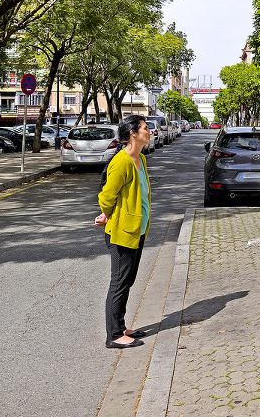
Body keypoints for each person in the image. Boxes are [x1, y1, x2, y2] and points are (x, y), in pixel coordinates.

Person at [95, 115, 153, 348]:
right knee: (119, 282)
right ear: (133, 133)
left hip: (136, 229)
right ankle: (114, 335)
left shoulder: (139, 158)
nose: (149, 132)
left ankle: (120, 325)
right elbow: (107, 195)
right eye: (146, 128)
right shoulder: (121, 162)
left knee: (127, 280)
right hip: (122, 231)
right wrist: (107, 213)